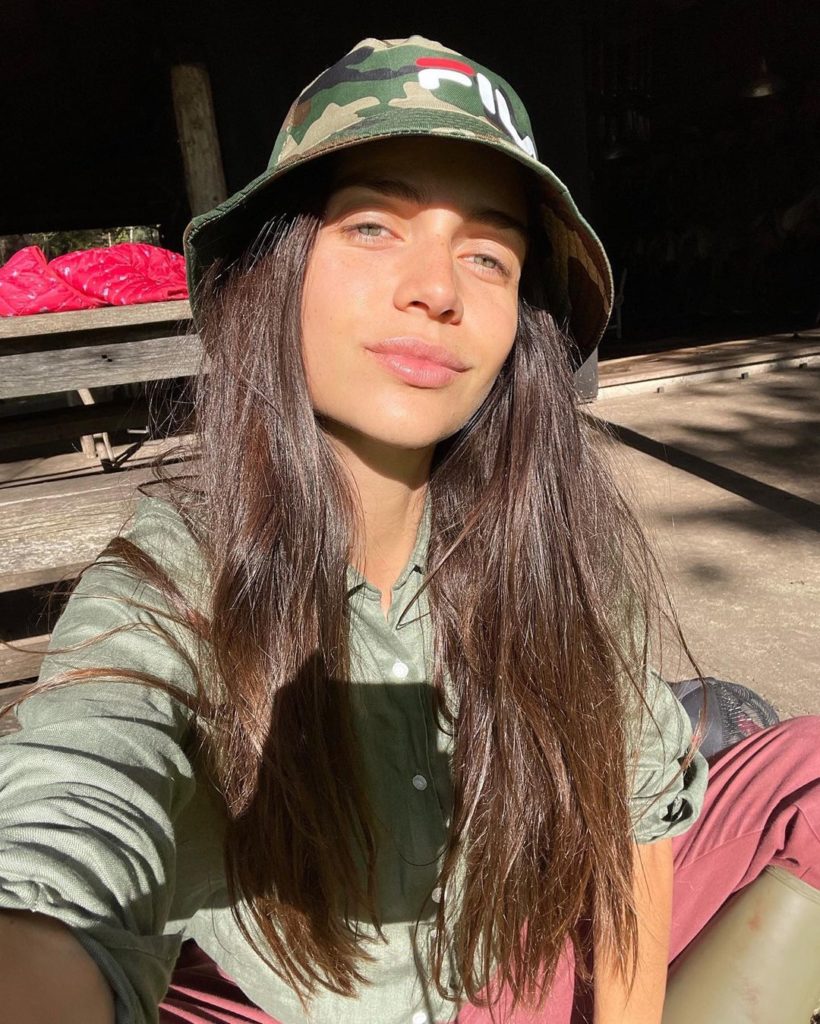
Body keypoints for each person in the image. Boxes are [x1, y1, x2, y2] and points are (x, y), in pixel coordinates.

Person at [0, 36, 818, 1024]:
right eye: (373, 226)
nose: (437, 289)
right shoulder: (175, 582)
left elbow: (634, 813)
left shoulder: (548, 543)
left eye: (486, 254)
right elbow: (76, 812)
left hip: (508, 955)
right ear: (277, 273)